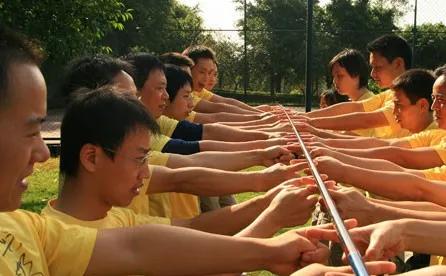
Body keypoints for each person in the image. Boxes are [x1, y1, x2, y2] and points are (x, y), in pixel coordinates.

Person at [0, 26, 338, 276]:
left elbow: (155, 240)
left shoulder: (27, 227)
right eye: (31, 130)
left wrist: (268, 223)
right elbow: (194, 166)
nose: (43, 152)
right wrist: (268, 212)